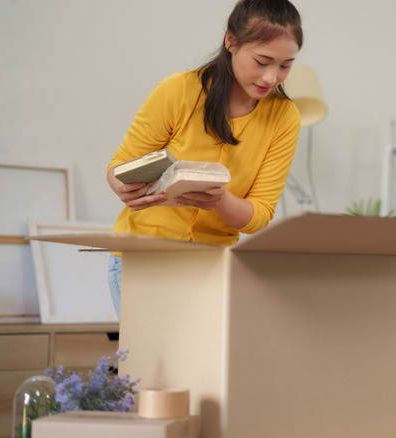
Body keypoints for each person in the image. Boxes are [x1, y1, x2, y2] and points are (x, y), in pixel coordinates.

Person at [105, 0, 303, 317]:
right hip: (144, 260)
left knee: (203, 367)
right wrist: (122, 187)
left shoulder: (284, 117)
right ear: (231, 41)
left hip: (212, 268)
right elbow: (120, 166)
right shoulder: (179, 91)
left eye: (285, 65)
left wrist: (220, 201)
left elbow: (260, 215)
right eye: (262, 61)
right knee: (149, 367)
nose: (270, 78)